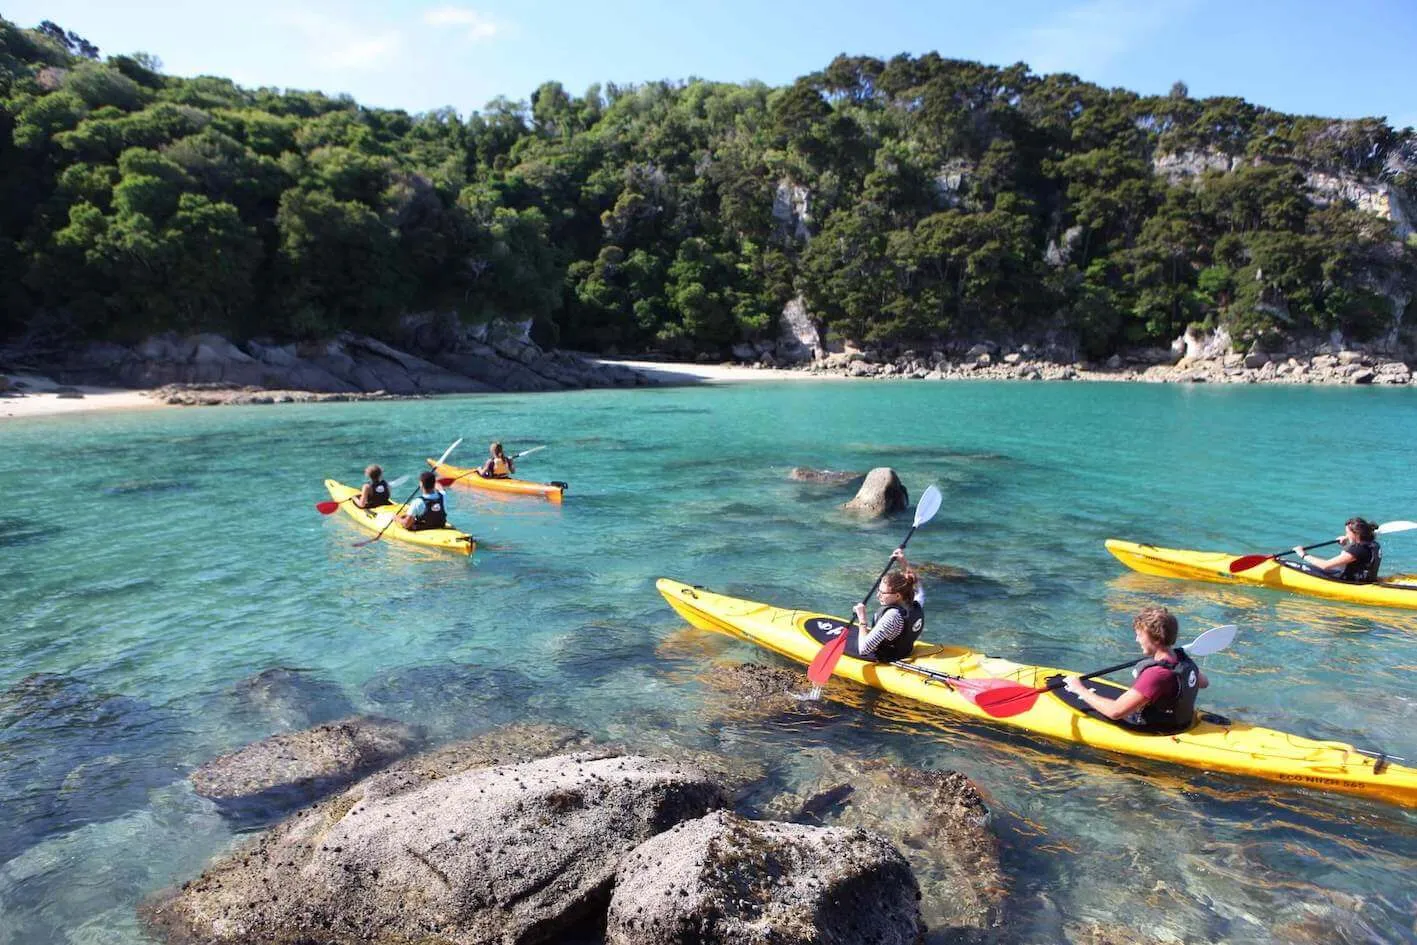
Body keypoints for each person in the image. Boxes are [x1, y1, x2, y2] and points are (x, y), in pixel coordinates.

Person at [1063, 606, 1207, 733]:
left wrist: (1079, 689)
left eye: (1139, 635)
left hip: (1158, 728)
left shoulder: (1156, 674)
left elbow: (1115, 712)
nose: (1136, 640)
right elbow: (1203, 682)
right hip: (1183, 722)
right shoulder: (1182, 659)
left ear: (1156, 639)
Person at [847, 549, 924, 662]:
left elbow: (863, 649)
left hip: (889, 656)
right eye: (878, 590)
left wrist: (862, 619)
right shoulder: (915, 599)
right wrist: (903, 562)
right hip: (906, 649)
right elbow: (912, 581)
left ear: (898, 596)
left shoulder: (892, 616)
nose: (878, 595)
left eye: (883, 593)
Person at [1292, 517, 1382, 582]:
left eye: (1347, 532)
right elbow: (1355, 557)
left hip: (1351, 582)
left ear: (1356, 534)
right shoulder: (1373, 544)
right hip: (1366, 580)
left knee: (1309, 568)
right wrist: (1348, 541)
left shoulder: (1358, 550)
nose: (1346, 535)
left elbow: (1325, 565)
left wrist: (1303, 554)